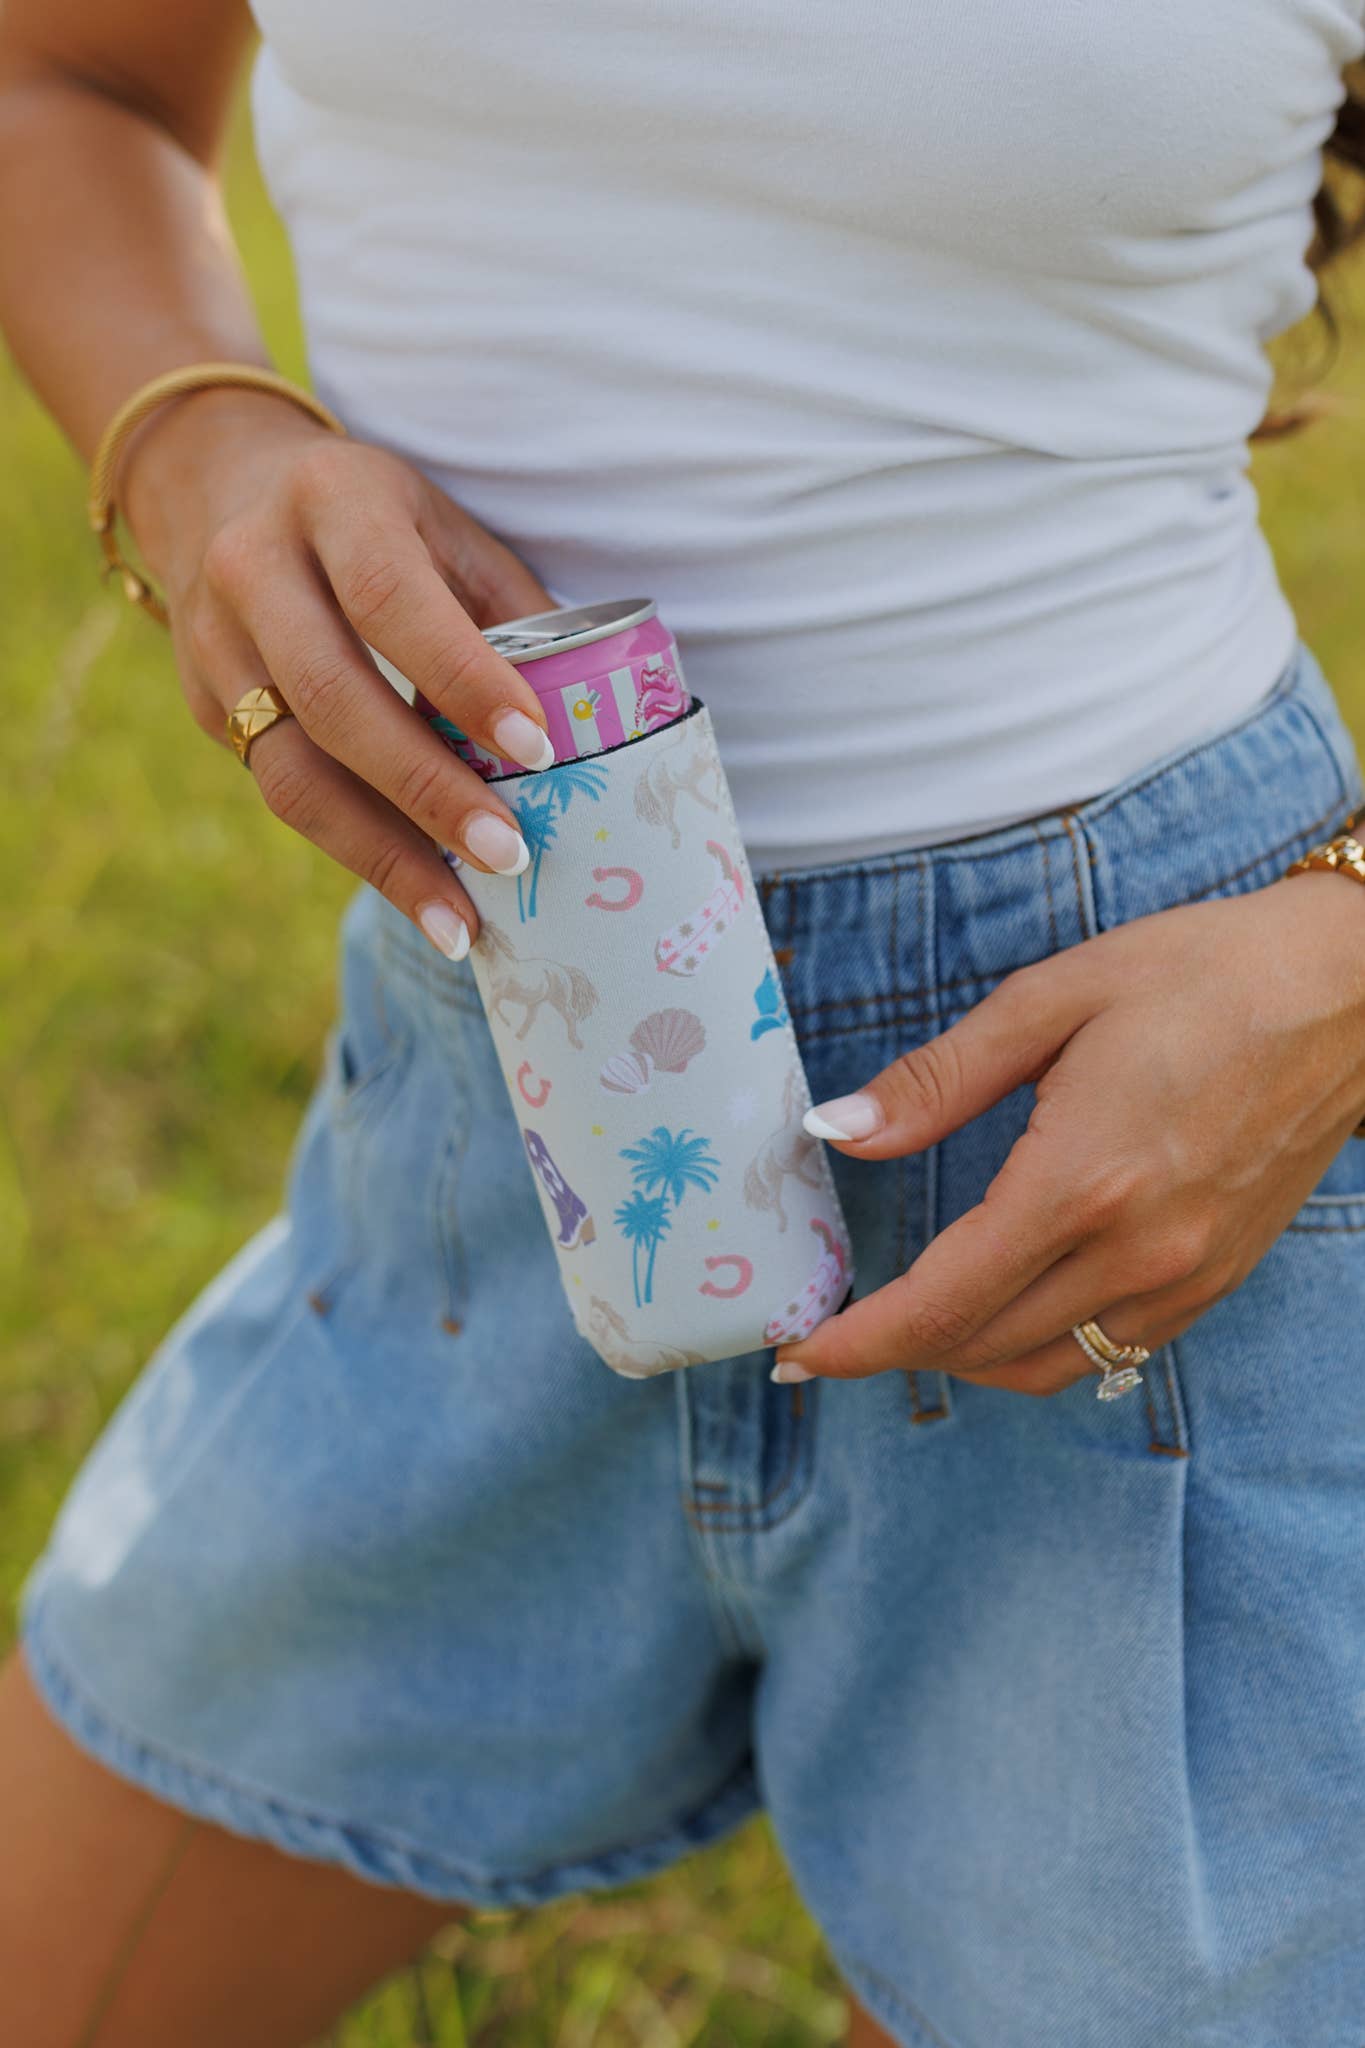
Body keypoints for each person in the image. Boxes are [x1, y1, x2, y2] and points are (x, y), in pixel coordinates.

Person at [3, 2, 1365, 2042]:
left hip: (1142, 1161)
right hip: (485, 1130)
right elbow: (65, 79)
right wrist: (204, 442)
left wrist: (1336, 965)